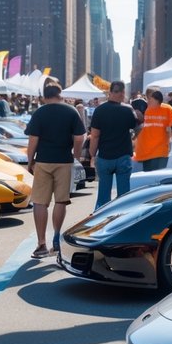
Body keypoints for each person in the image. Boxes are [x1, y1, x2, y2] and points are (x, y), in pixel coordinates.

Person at [24, 82, 85, 259]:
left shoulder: (39, 112)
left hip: (43, 160)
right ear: (60, 94)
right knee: (61, 201)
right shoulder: (71, 111)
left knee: (40, 202)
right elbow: (80, 137)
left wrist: (30, 161)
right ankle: (56, 236)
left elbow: (33, 140)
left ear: (44, 96)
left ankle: (41, 243)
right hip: (64, 160)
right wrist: (76, 156)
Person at [90, 81, 139, 210]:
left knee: (103, 196)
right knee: (124, 197)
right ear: (123, 93)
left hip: (105, 156)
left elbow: (95, 135)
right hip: (123, 156)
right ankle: (123, 222)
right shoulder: (128, 110)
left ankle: (101, 223)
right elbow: (137, 127)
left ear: (110, 92)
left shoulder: (99, 110)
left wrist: (92, 154)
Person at [133, 88, 172, 171]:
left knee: (152, 178)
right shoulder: (148, 109)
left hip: (156, 151)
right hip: (153, 152)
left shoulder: (167, 109)